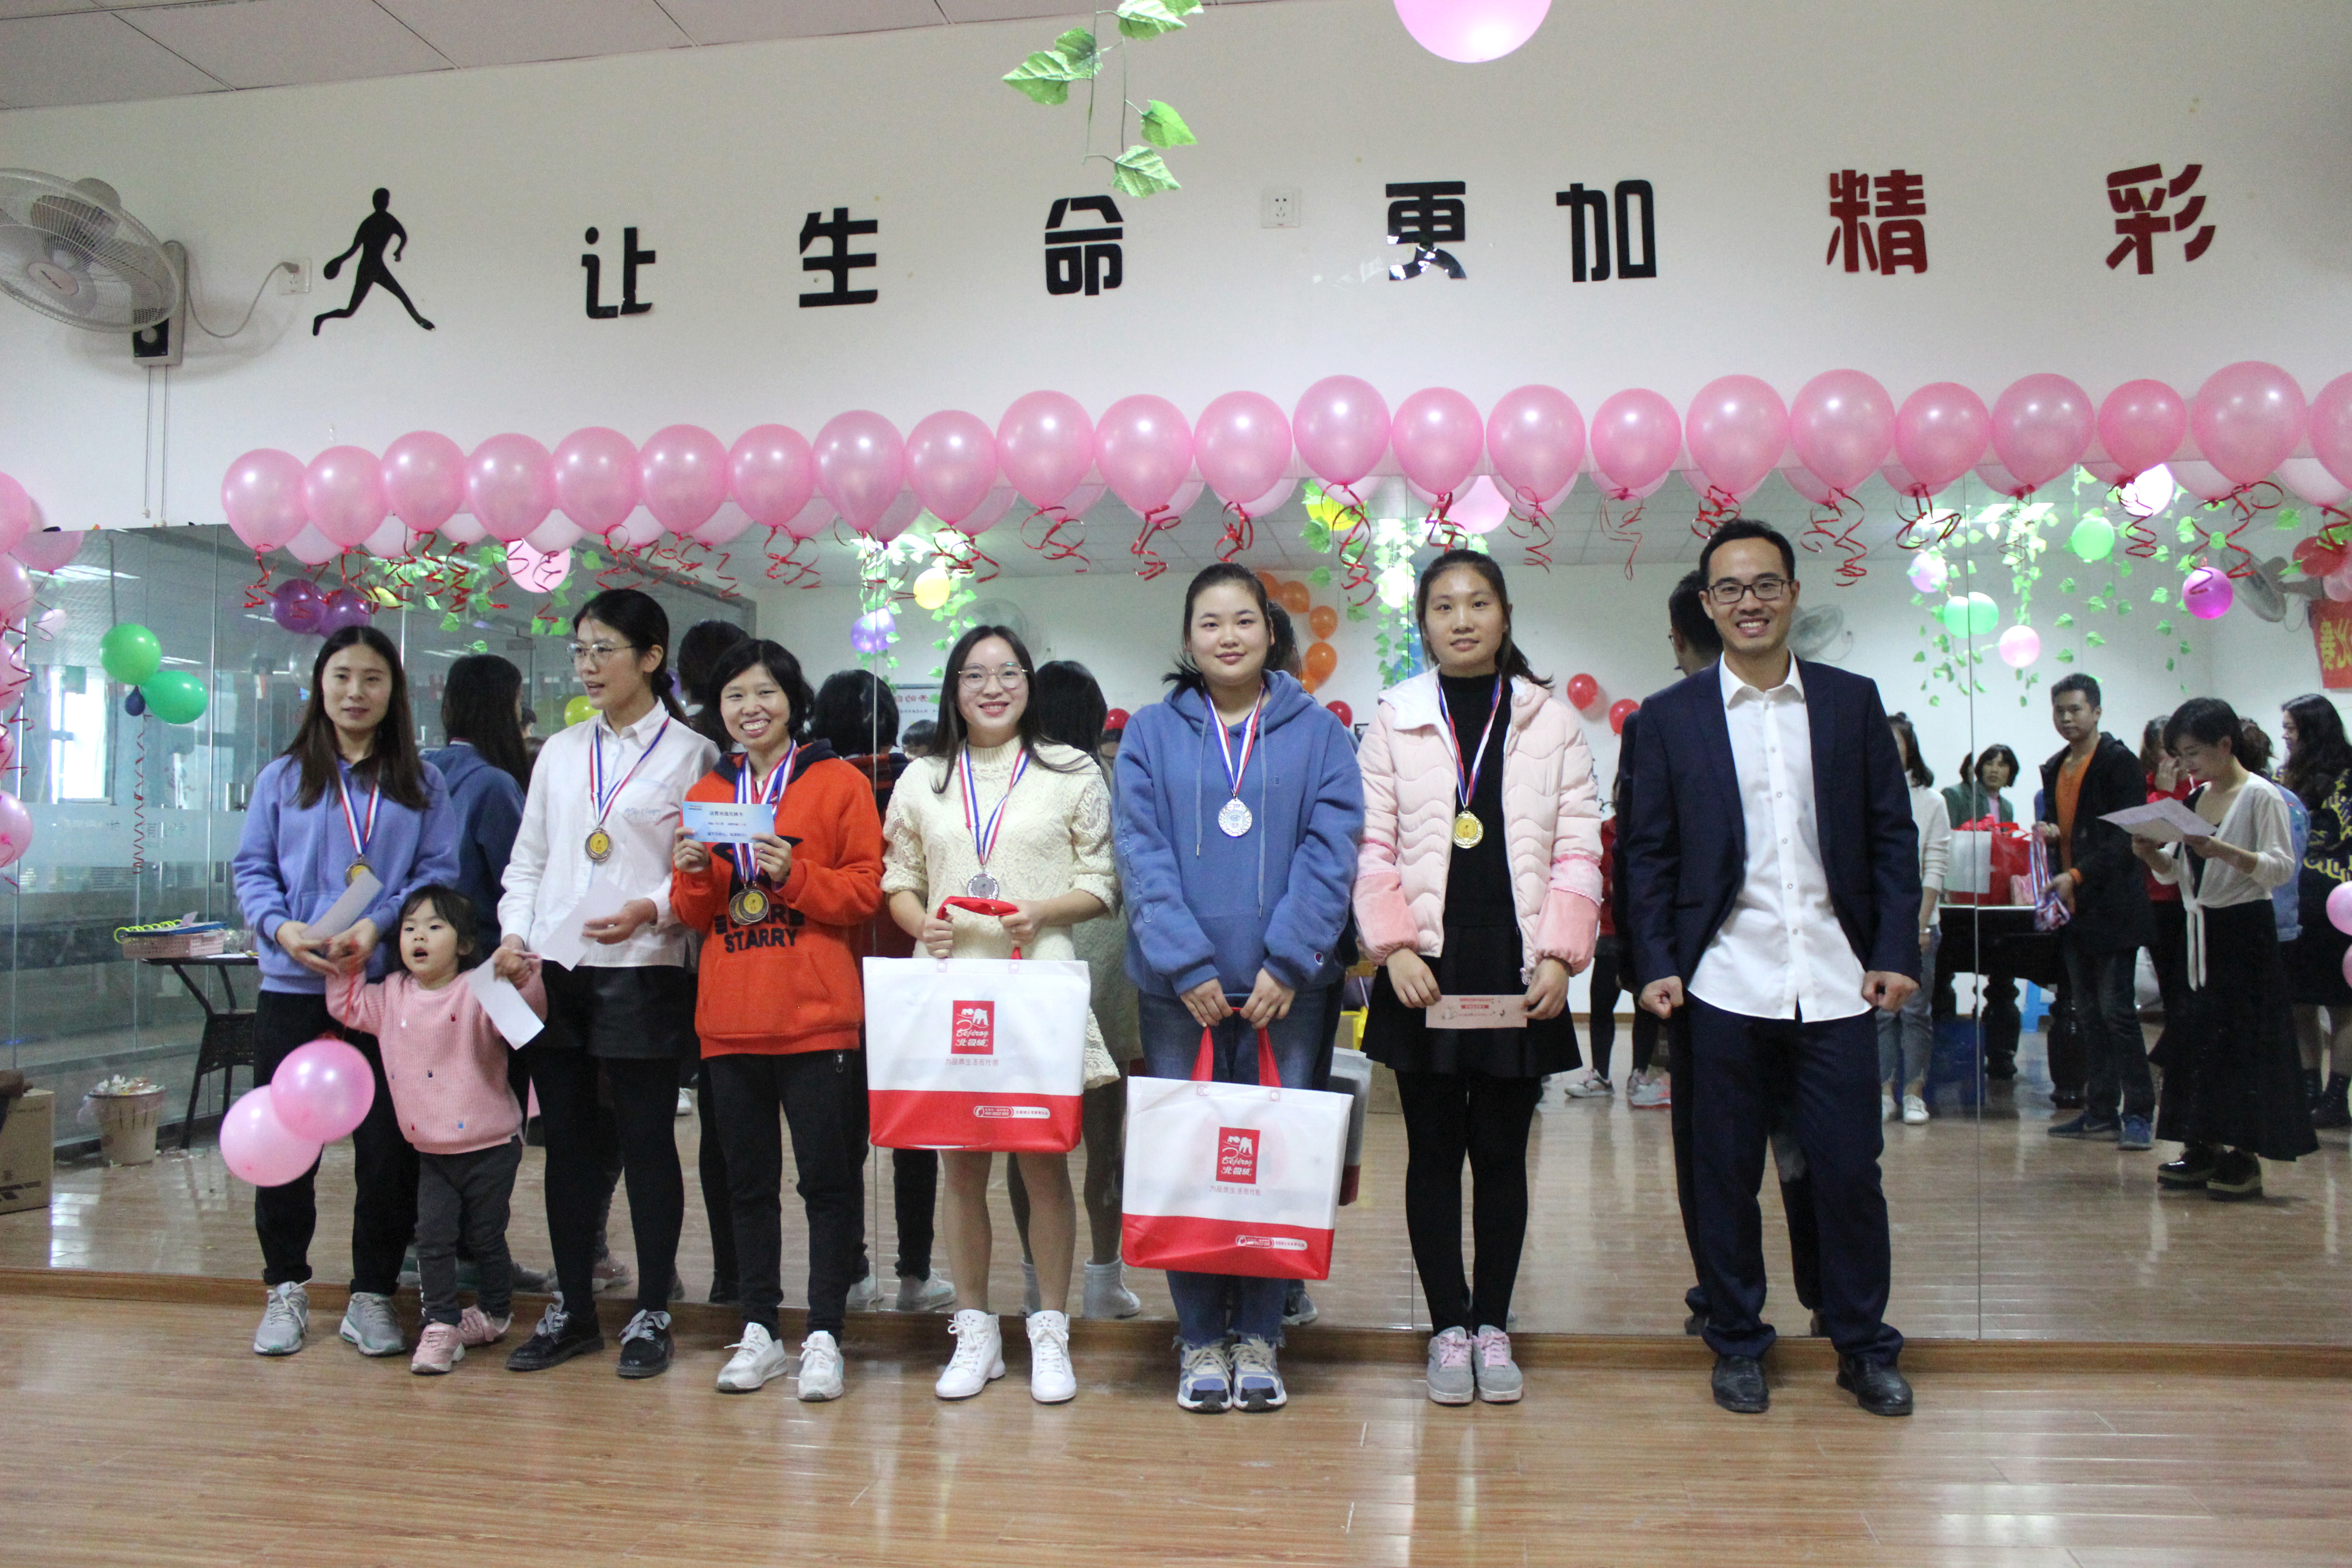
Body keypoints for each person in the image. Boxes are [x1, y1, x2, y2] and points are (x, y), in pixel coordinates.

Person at [1625, 519, 1920, 1419]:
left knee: (1848, 1172)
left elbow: (1890, 838)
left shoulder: (1849, 703)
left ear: (1791, 594)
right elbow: (1646, 855)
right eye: (1729, 588)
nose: (1747, 602)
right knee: (1721, 1176)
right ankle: (1737, 1339)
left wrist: (1894, 951)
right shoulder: (1669, 718)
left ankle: (1861, 1343)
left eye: (1764, 585)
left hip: (1834, 980)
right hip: (1721, 981)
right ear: (1707, 604)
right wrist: (1655, 963)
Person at [1355, 550, 1595, 1408]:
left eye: (1478, 603)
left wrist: (1561, 954)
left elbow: (1577, 847)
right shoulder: (1394, 718)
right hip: (1423, 964)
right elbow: (1371, 845)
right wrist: (1393, 947)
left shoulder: (1549, 720)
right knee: (1431, 1153)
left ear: (1504, 614)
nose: (1462, 619)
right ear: (1423, 624)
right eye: (1444, 606)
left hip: (1517, 962)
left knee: (1499, 1154)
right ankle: (1446, 1328)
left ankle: (1492, 1323)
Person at [1120, 566, 1362, 1412]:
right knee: (1188, 1158)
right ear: (1188, 639)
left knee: (1274, 1161)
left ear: (1270, 632)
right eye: (1209, 622)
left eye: (1244, 620)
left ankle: (1260, 1332)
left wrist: (1288, 961)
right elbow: (1139, 850)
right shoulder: (1150, 733)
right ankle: (1197, 1338)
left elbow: (1332, 851)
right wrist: (1185, 963)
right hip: (1175, 989)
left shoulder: (1320, 733)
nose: (1228, 636)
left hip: (1286, 992)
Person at [882, 624, 1118, 1404]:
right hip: (951, 985)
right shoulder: (924, 777)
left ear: (1028, 684)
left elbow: (1102, 881)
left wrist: (1043, 909)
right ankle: (975, 1332)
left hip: (1035, 981)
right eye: (975, 675)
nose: (993, 687)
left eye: (1008, 672)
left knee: (1042, 1161)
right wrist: (920, 922)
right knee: (960, 1163)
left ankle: (1049, 1331)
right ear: (953, 690)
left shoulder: (1070, 770)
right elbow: (899, 877)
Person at [498, 588, 720, 1378]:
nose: (588, 667)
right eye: (580, 652)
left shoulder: (694, 755)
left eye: (604, 650)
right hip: (556, 970)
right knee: (566, 1147)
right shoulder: (560, 752)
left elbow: (699, 869)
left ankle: (653, 1308)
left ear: (651, 658)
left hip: (645, 968)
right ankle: (574, 1312)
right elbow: (528, 861)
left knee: (647, 1142)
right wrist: (514, 935)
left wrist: (649, 909)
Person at [232, 625, 459, 1358]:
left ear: (394, 691)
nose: (355, 692)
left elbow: (438, 874)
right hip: (293, 984)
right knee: (286, 1141)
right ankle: (284, 1287)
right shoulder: (282, 778)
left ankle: (372, 1294)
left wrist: (379, 926)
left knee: (387, 1147)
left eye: (372, 679)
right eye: (341, 677)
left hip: (383, 989)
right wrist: (281, 929)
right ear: (320, 687)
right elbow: (252, 869)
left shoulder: (423, 783)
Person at [671, 639, 883, 1399]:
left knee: (828, 1184)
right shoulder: (709, 789)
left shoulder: (838, 783)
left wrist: (794, 874)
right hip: (729, 1020)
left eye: (763, 692)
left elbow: (864, 894)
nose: (749, 708)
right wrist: (693, 876)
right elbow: (696, 913)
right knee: (747, 1187)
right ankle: (759, 1328)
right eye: (734, 696)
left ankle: (824, 1332)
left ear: (793, 699)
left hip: (817, 1019)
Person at [327, 887, 546, 1374]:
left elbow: (525, 1023)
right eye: (409, 929)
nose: (418, 937)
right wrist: (346, 965)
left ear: (464, 944)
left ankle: (495, 1312)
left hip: (491, 1147)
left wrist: (522, 976)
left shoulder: (480, 987)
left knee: (485, 1237)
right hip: (430, 1151)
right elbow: (349, 1006)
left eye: (433, 927)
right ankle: (440, 1324)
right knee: (432, 1239)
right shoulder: (391, 995)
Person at [811, 668, 957, 1314]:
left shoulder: (813, 786)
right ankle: (915, 1275)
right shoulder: (921, 779)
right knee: (913, 1133)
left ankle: (850, 1271)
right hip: (911, 972)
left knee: (840, 1136)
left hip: (834, 977)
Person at [2133, 698, 2318, 1198]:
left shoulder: (2261, 796)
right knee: (2198, 1040)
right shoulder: (2196, 798)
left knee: (2243, 1043)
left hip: (2244, 933)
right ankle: (2203, 1143)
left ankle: (2245, 1154)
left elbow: (2280, 868)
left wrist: (2223, 851)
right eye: (2180, 755)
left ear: (2225, 744)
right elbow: (2176, 871)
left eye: (2194, 753)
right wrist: (2150, 853)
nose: (2187, 765)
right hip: (2199, 932)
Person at [1013, 659, 1145, 1322]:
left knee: (1029, 1140)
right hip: (1107, 969)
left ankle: (1035, 1279)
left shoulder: (1014, 783)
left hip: (1035, 962)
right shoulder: (1110, 782)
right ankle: (1102, 1277)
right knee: (1105, 1142)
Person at [2036, 674, 2157, 1150]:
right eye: (2060, 711)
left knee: (2117, 1013)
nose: (2067, 719)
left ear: (2097, 712)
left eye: (2076, 710)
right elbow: (2065, 828)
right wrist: (2050, 836)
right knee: (2088, 1013)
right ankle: (2101, 1111)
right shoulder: (2055, 766)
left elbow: (2124, 838)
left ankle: (2139, 1112)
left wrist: (2078, 873)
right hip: (2073, 908)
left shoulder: (2118, 762)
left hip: (2113, 906)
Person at [2280, 694, 2352, 1129]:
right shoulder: (2285, 776)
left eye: (2291, 728)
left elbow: (2339, 833)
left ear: (2312, 730)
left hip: (2340, 902)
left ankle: (2337, 1096)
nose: (2285, 736)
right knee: (2298, 1002)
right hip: (2293, 901)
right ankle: (2307, 1089)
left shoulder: (2347, 776)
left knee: (2342, 1006)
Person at [424, 655, 528, 951]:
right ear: (502, 708)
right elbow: (517, 877)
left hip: (425, 942)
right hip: (481, 948)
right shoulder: (494, 784)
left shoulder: (422, 771)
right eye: (518, 702)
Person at [1879, 714, 1951, 1127]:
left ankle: (1914, 1093)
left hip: (1921, 922)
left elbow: (1934, 868)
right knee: (1880, 1012)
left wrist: (1920, 926)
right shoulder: (1864, 794)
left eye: (1896, 743)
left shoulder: (1932, 801)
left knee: (1915, 1012)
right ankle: (1883, 1092)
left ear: (1911, 749)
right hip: (1877, 924)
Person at [2139, 720, 2195, 1067]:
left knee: (2194, 988)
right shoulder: (2145, 788)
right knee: (2172, 987)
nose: (2175, 757)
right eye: (2166, 749)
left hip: (2196, 900)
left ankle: (2174, 1060)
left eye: (2180, 748)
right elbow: (2152, 835)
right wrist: (2163, 792)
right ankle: (2171, 1064)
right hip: (2160, 900)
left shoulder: (2198, 786)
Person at [1941, 745, 2021, 828]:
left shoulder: (2007, 808)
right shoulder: (1955, 795)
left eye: (2001, 765)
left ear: (2011, 772)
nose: (1994, 770)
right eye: (1989, 764)